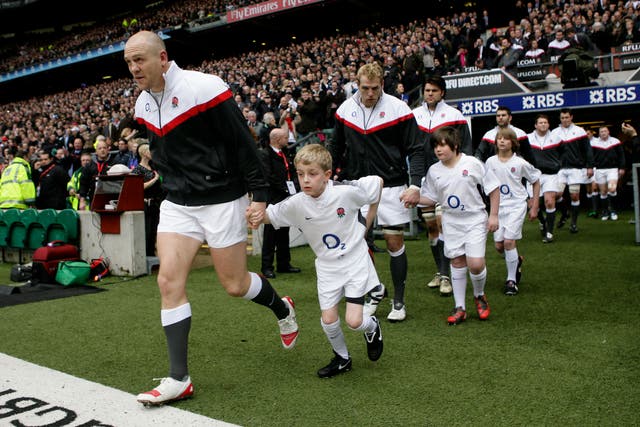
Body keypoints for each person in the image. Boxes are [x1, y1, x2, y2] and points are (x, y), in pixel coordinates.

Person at [123, 30, 298, 406]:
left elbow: (241, 141)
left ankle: (282, 308)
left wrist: (261, 195)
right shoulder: (141, 104)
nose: (134, 68)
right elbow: (164, 146)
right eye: (129, 62)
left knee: (234, 285)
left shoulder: (204, 87)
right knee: (168, 281)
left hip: (221, 199)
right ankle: (179, 378)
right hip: (179, 202)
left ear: (163, 57)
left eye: (140, 60)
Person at [247, 144, 384, 378]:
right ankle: (342, 359)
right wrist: (256, 216)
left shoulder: (345, 191)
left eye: (312, 174)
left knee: (353, 321)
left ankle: (372, 328)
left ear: (327, 175)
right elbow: (270, 216)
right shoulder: (297, 203)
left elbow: (378, 183)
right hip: (327, 265)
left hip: (354, 261)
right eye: (300, 174)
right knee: (329, 320)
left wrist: (365, 225)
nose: (305, 180)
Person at [329, 62, 425, 323]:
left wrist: (415, 184)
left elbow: (416, 148)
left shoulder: (398, 108)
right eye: (364, 88)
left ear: (382, 84)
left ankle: (399, 300)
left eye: (375, 88)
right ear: (356, 85)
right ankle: (375, 291)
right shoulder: (345, 110)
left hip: (392, 185)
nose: (370, 93)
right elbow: (335, 145)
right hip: (356, 186)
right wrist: (327, 176)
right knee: (355, 244)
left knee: (394, 243)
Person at [419, 126, 500, 325]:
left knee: (475, 263)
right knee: (457, 262)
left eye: (442, 145)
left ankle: (479, 295)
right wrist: (414, 199)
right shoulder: (433, 170)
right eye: (435, 146)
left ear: (455, 145)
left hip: (474, 219)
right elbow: (431, 197)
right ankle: (459, 307)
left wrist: (494, 216)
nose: (438, 150)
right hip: (451, 220)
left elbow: (494, 188)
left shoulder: (472, 163)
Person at [413, 75, 472, 297]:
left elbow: (465, 147)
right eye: (427, 90)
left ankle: (447, 274)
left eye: (434, 90)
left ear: (442, 93)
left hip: (448, 179)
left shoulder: (454, 115)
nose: (430, 94)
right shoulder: (414, 115)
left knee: (443, 223)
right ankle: (440, 270)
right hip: (424, 180)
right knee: (431, 228)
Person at [486, 128, 541, 295]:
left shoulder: (520, 163)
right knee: (499, 246)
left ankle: (511, 281)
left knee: (509, 242)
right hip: (498, 207)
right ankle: (516, 260)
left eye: (506, 139)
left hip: (516, 205)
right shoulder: (490, 162)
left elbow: (536, 180)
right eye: (499, 138)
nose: (502, 141)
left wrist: (535, 205)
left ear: (513, 143)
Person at [259, 127, 301, 278]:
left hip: (285, 198)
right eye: (285, 137)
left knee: (284, 231)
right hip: (273, 198)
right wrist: (285, 189)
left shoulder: (285, 153)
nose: (287, 139)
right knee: (270, 234)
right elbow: (268, 176)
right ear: (277, 139)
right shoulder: (265, 154)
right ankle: (267, 266)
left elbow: (292, 172)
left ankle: (284, 264)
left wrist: (294, 187)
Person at [550, 108, 594, 234]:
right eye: (562, 118)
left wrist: (589, 166)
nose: (565, 120)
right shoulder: (554, 132)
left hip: (576, 168)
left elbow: (587, 149)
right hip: (560, 169)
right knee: (556, 195)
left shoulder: (579, 131)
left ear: (571, 117)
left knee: (574, 196)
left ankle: (573, 223)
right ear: (560, 119)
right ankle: (565, 213)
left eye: (567, 117)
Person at [528, 114, 563, 243]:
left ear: (548, 124)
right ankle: (543, 222)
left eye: (545, 122)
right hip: (533, 175)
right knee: (533, 205)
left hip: (551, 175)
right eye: (540, 123)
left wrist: (558, 165)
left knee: (549, 201)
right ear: (535, 125)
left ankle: (549, 232)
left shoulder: (556, 138)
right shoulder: (528, 138)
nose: (543, 125)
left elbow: (563, 152)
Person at [132, 141, 167, 256]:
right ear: (144, 153)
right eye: (149, 151)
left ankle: (152, 253)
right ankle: (146, 255)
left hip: (155, 203)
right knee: (146, 230)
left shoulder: (153, 167)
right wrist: (154, 179)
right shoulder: (138, 169)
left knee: (154, 229)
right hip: (145, 203)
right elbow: (138, 187)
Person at [590, 126, 625, 221]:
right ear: (599, 133)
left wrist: (622, 167)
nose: (603, 133)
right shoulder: (594, 143)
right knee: (603, 192)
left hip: (612, 169)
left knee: (612, 189)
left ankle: (613, 211)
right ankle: (605, 211)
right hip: (599, 170)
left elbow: (621, 155)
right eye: (601, 131)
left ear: (608, 132)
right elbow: (591, 157)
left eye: (605, 131)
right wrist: (591, 168)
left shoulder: (615, 141)